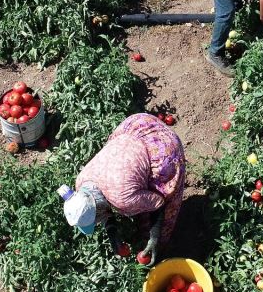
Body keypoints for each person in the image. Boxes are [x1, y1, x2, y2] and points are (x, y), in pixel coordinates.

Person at [60, 113, 186, 264]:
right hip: (137, 125)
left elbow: (158, 204)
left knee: (166, 202)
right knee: (137, 200)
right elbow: (101, 206)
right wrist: (113, 234)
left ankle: (160, 249)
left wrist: (154, 238)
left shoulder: (122, 198)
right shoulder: (81, 182)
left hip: (162, 149)